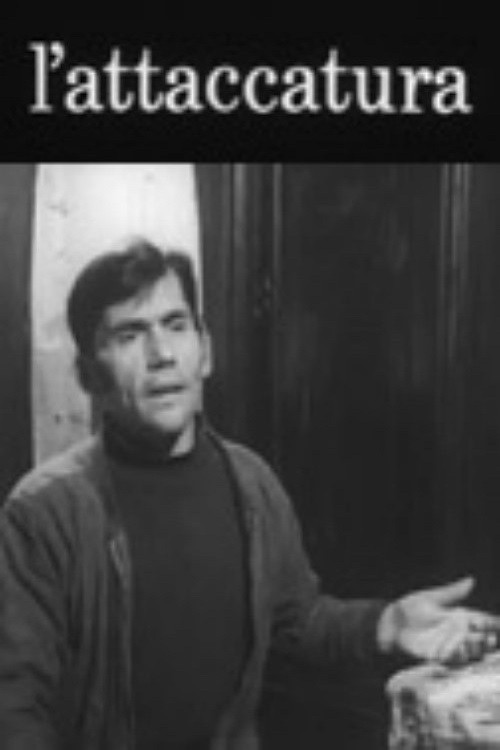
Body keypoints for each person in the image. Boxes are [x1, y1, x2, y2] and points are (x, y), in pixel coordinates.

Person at [0, 237, 498, 750]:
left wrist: (387, 624)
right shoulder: (44, 512)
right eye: (130, 335)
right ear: (88, 375)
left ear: (206, 351)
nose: (162, 355)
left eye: (176, 325)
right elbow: (15, 708)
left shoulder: (250, 482)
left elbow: (298, 622)